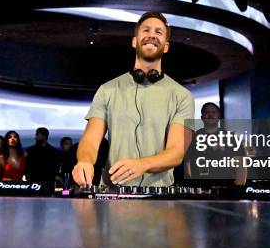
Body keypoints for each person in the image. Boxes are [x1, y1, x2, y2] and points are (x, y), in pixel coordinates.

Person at [72, 11, 194, 187]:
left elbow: (176, 152)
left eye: (158, 32)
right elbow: (90, 140)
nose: (152, 35)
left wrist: (143, 164)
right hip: (112, 195)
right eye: (146, 30)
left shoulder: (182, 96)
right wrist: (84, 161)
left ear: (166, 46)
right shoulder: (107, 90)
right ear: (134, 41)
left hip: (158, 199)